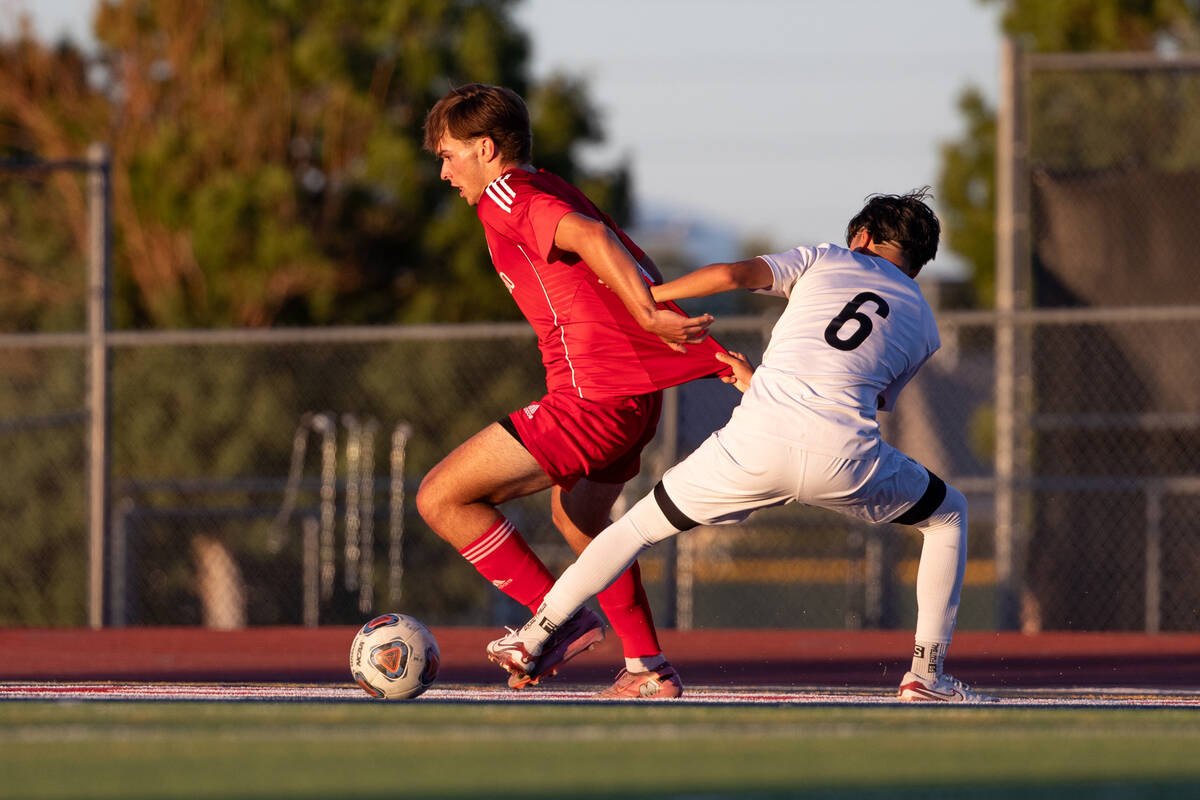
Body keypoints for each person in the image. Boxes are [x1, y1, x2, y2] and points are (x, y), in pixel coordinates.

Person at [487, 189, 996, 702]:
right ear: (916, 260)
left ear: (860, 237)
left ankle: (535, 635)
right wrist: (756, 380)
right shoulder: (926, 326)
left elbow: (731, 276)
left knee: (633, 529)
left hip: (752, 446)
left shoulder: (825, 257)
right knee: (948, 513)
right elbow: (850, 394)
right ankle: (925, 677)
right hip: (844, 457)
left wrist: (647, 301)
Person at [417, 84, 732, 699]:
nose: (444, 169)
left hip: (593, 396)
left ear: (487, 149)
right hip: (633, 397)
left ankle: (549, 623)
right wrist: (660, 328)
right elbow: (621, 254)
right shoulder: (549, 184)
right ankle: (647, 669)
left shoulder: (507, 195)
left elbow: (590, 237)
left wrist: (645, 316)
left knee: (440, 498)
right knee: (581, 517)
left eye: (450, 154)